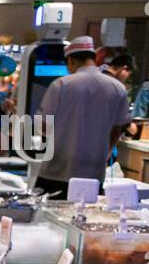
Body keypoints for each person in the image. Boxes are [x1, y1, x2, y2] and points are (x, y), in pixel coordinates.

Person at [35, 36, 132, 196]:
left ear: (71, 60)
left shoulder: (61, 85)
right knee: (87, 216)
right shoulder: (118, 88)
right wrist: (103, 154)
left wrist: (61, 134)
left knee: (47, 218)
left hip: (57, 170)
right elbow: (117, 128)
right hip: (93, 173)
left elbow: (43, 125)